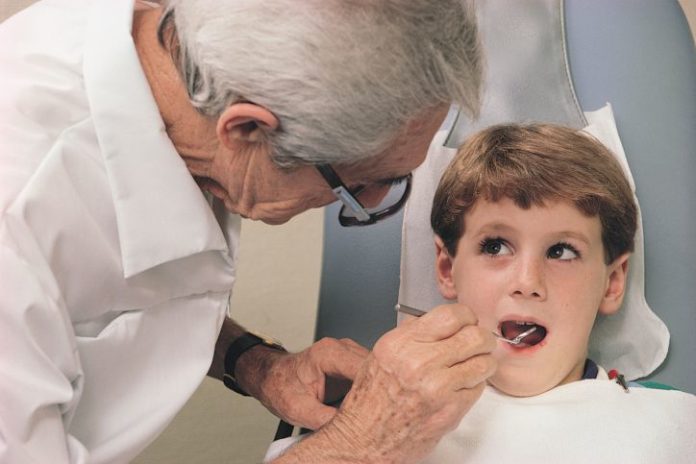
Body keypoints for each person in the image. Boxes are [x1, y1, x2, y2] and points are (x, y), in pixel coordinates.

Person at [0, 0, 500, 463]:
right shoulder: (17, 213)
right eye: (360, 183)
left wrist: (254, 362)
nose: (369, 203)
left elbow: (95, 293)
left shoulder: (175, 52)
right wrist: (359, 445)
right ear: (244, 131)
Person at [419, 123, 696, 462]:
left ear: (612, 283)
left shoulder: (677, 426)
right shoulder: (388, 421)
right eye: (495, 246)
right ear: (447, 269)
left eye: (561, 251)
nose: (527, 282)